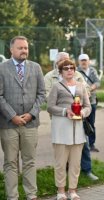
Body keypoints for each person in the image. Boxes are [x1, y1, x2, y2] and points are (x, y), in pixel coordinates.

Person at [0, 36, 46, 200]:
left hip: (30, 123)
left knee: (29, 161)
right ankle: (12, 196)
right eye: (20, 48)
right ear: (11, 50)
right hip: (8, 124)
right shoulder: (2, 68)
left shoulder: (36, 67)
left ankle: (31, 195)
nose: (24, 51)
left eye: (26, 48)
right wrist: (12, 116)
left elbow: (41, 94)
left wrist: (31, 114)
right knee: (10, 162)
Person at [44, 52, 98, 181]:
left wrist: (80, 106)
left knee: (83, 144)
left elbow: (86, 90)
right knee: (63, 147)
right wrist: (64, 107)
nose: (67, 65)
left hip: (79, 117)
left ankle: (87, 170)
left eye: (68, 61)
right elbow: (46, 96)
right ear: (57, 64)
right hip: (60, 117)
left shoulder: (77, 74)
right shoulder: (49, 76)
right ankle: (64, 174)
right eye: (62, 62)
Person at [47, 59, 91, 200]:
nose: (69, 70)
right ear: (60, 71)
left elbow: (88, 106)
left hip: (78, 130)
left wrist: (82, 113)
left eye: (71, 68)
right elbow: (50, 107)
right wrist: (65, 111)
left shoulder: (81, 86)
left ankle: (72, 191)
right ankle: (60, 191)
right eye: (66, 68)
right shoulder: (56, 86)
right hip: (61, 128)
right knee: (60, 162)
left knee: (75, 163)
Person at [77, 53, 100, 152]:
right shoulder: (76, 71)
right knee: (79, 122)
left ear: (88, 61)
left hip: (91, 100)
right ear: (79, 62)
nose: (84, 62)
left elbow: (97, 82)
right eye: (82, 60)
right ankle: (80, 143)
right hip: (79, 101)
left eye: (85, 60)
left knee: (91, 123)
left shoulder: (92, 71)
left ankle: (91, 144)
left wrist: (89, 89)